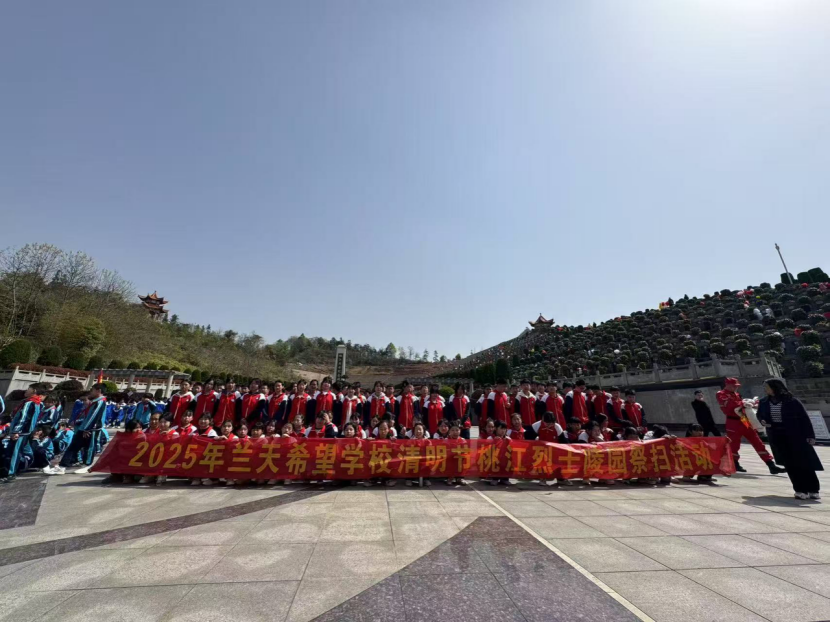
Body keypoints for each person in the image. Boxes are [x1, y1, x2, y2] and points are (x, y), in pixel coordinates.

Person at [757, 378, 822, 501]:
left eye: (767, 387)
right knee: (790, 464)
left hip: (796, 435)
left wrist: (810, 436)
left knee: (804, 462)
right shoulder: (764, 402)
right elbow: (760, 415)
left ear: (775, 387)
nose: (765, 389)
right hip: (777, 435)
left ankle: (813, 489)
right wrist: (763, 421)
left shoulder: (791, 401)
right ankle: (800, 490)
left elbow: (804, 418)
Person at [716, 377, 786, 475]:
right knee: (734, 444)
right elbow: (731, 405)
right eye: (733, 386)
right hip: (733, 422)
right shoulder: (721, 394)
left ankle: (771, 465)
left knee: (757, 441)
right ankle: (735, 463)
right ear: (727, 385)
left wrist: (751, 404)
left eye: (736, 386)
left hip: (744, 420)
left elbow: (742, 406)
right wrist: (744, 403)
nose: (736, 388)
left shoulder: (736, 394)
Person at [44, 383, 108, 476]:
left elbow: (94, 416)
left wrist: (87, 429)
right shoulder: (95, 402)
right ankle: (63, 466)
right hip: (84, 428)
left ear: (99, 391)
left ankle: (87, 465)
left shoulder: (100, 402)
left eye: (92, 390)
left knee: (89, 448)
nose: (91, 392)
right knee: (73, 447)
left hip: (91, 429)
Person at [1, 382, 49, 482]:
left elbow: (23, 418)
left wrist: (16, 431)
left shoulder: (29, 403)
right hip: (27, 432)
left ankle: (10, 473)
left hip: (21, 432)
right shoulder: (38, 403)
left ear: (34, 391)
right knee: (21, 451)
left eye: (29, 389)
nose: (26, 391)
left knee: (14, 453)